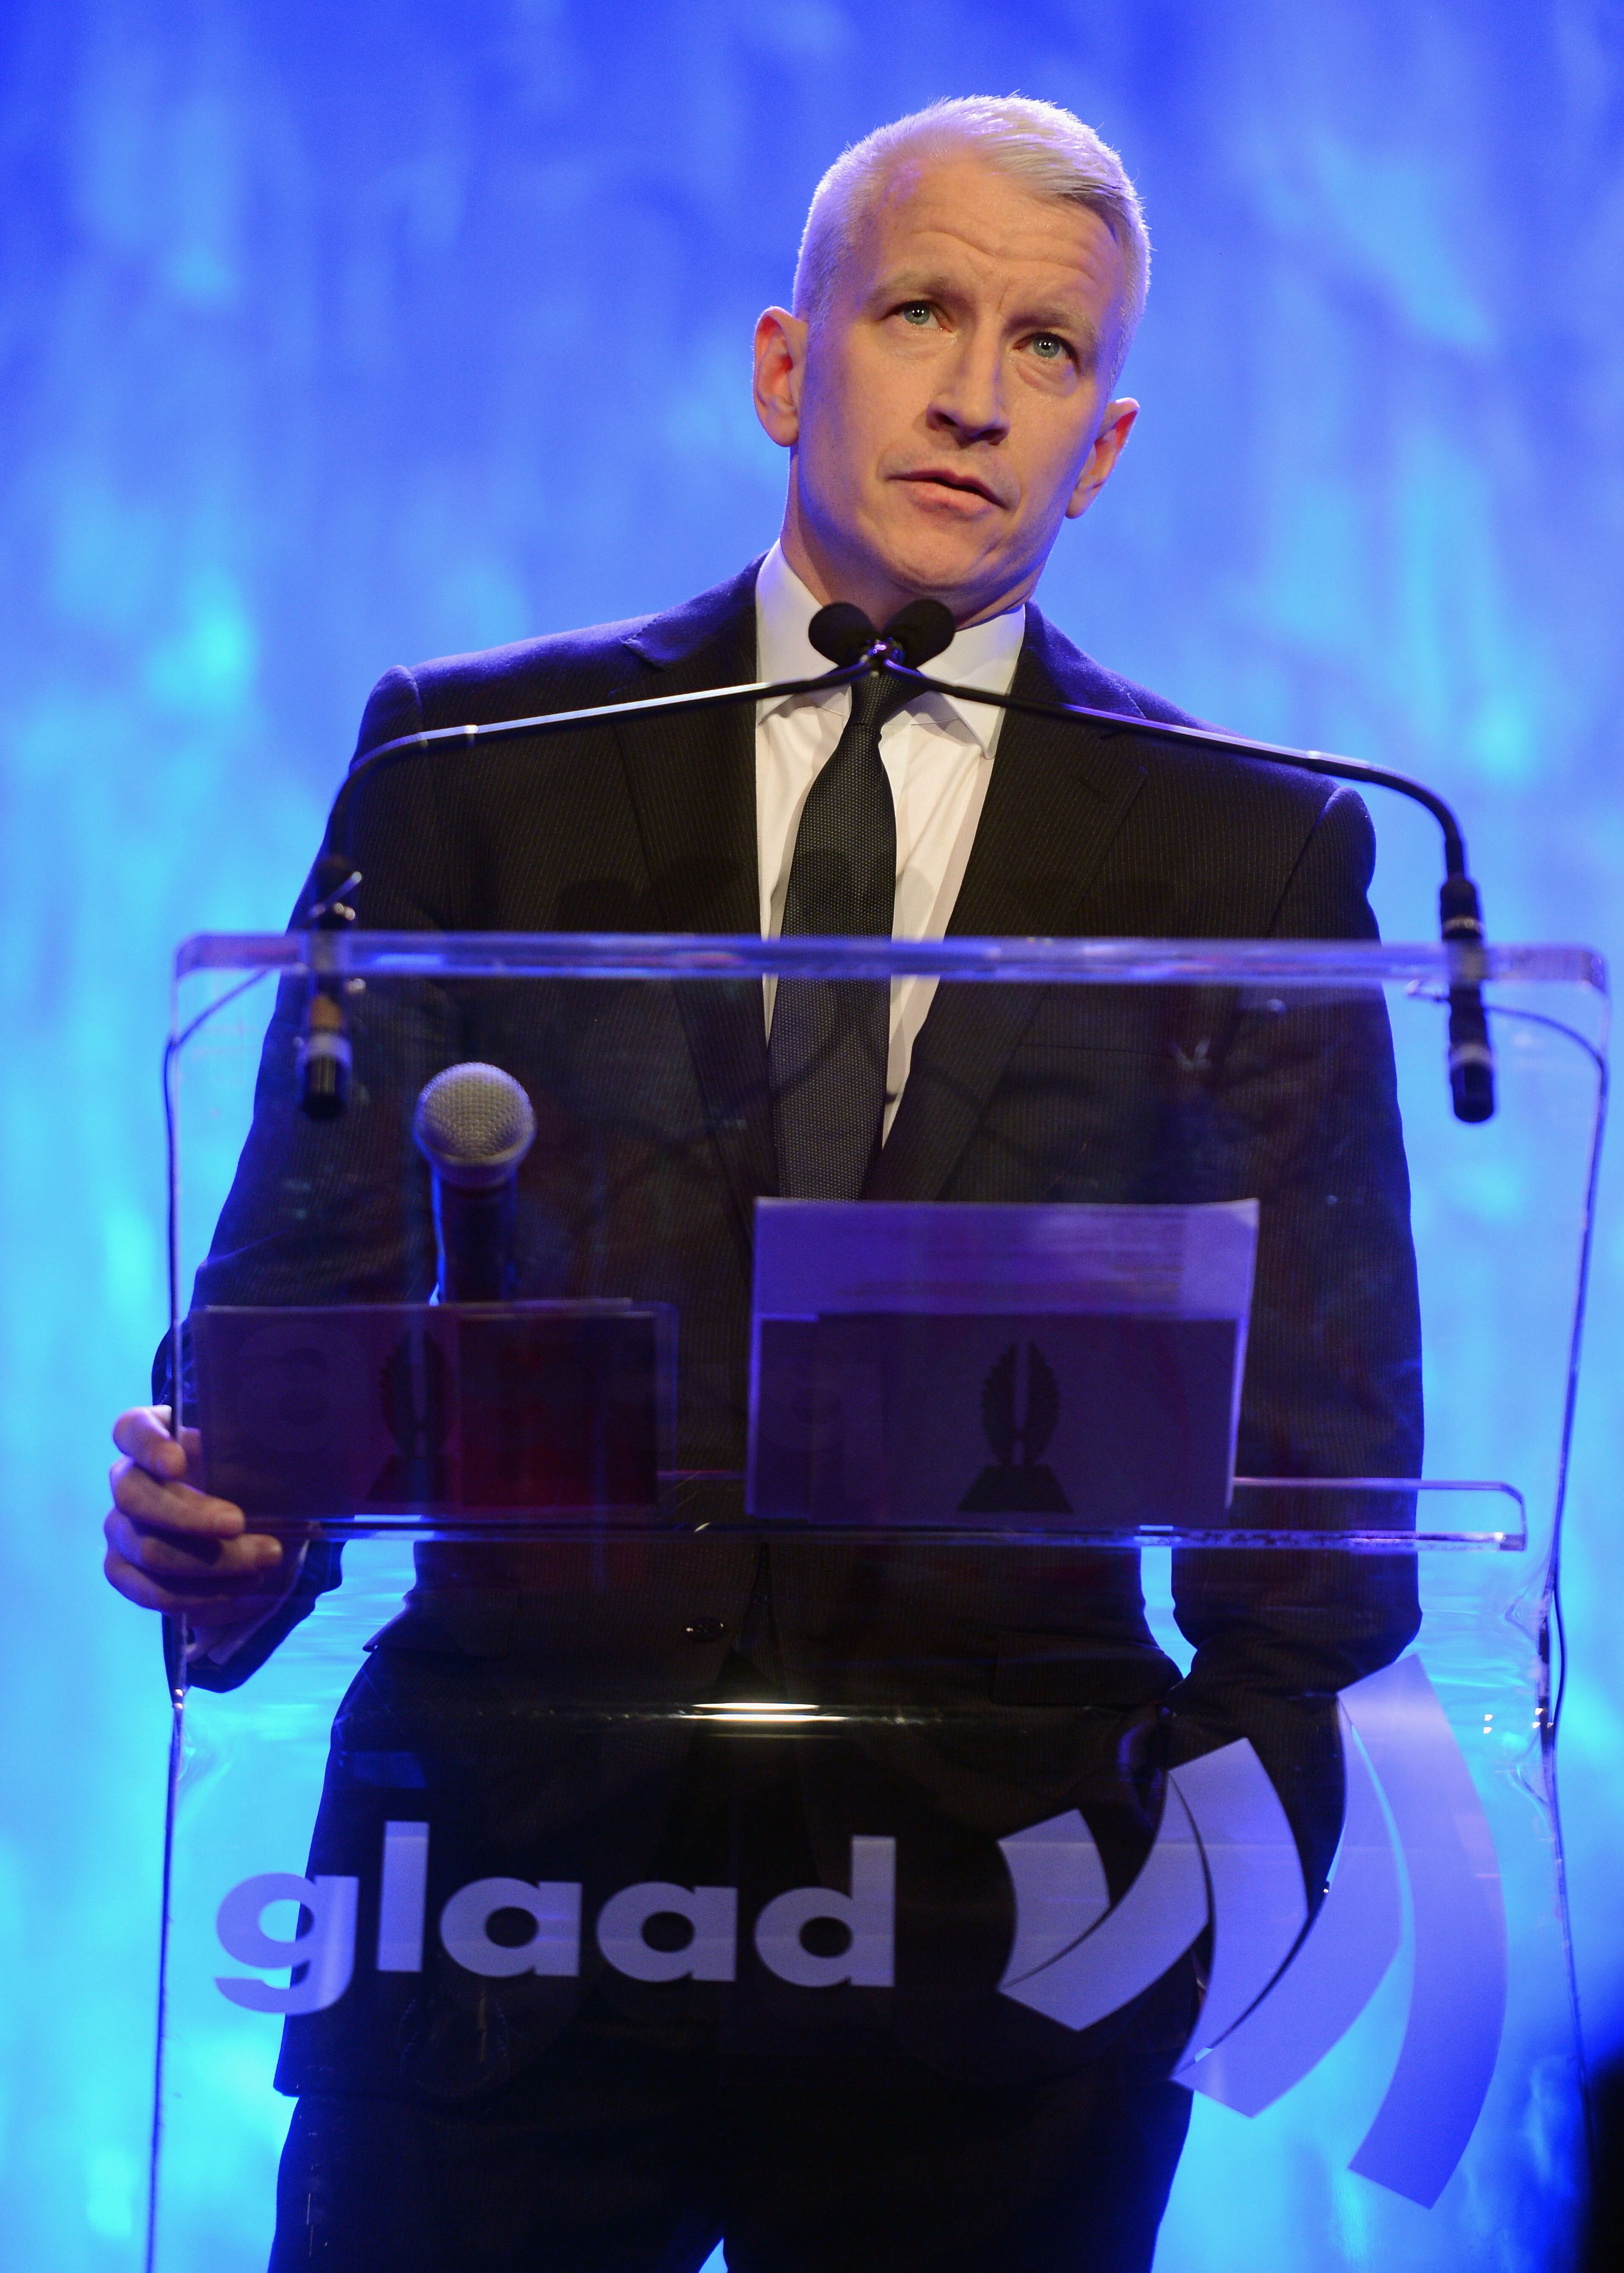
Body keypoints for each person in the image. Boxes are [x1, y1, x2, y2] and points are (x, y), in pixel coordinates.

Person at [105, 97, 1421, 2273]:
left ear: (1102, 445)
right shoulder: (474, 773)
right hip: (503, 1915)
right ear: (787, 366)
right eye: (921, 309)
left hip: (1009, 1959)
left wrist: (1191, 1904)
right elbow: (298, 1299)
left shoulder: (1249, 856)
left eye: (1052, 349)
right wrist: (226, 1517)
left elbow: (1331, 1456)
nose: (979, 392)